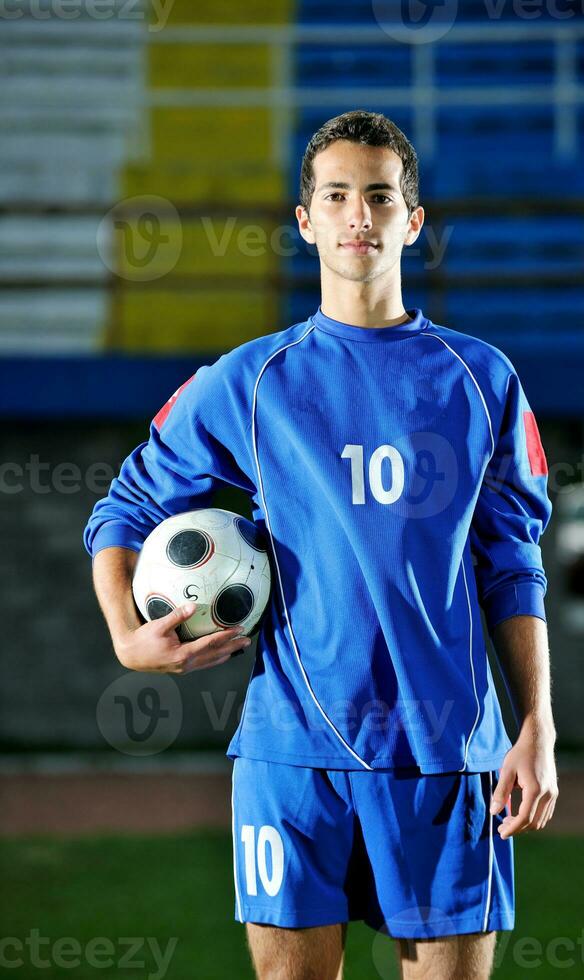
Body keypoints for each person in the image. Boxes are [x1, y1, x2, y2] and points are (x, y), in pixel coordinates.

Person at [83, 110, 559, 980]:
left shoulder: (480, 378)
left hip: (446, 750)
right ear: (306, 222)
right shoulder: (250, 380)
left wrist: (537, 725)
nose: (358, 215)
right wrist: (125, 632)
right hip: (290, 751)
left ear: (412, 221)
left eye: (380, 195)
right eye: (336, 195)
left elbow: (512, 561)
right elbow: (123, 506)